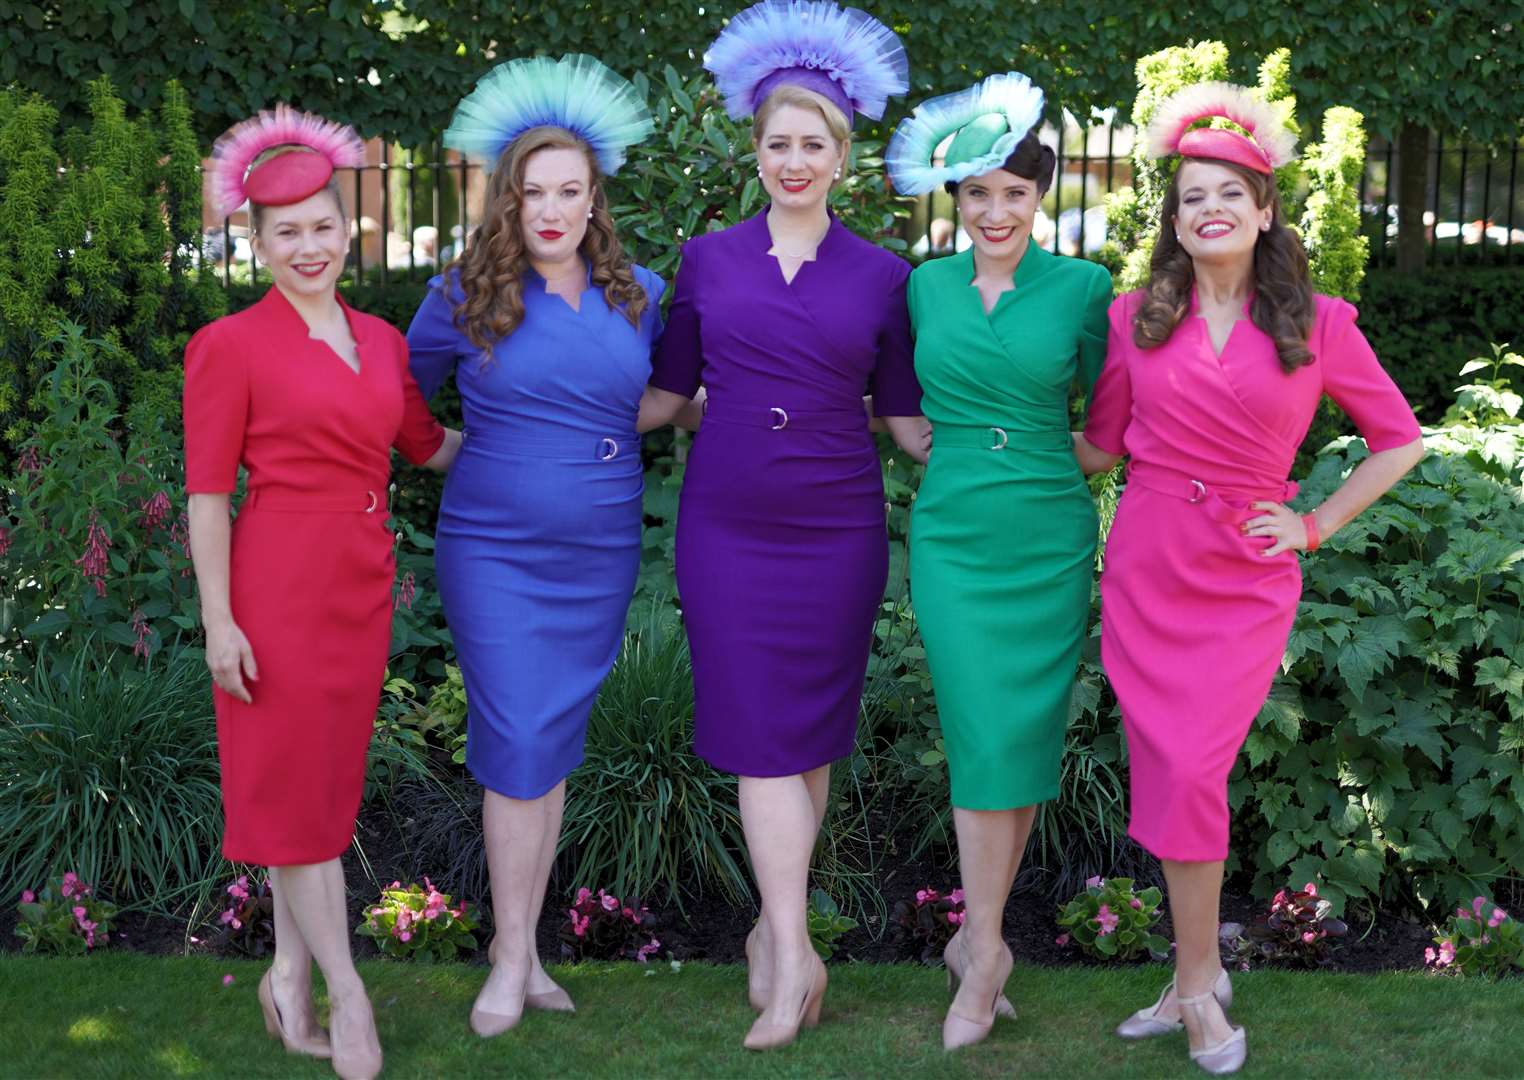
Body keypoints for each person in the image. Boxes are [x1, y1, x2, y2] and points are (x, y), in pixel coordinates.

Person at [1073, 82, 1424, 1075]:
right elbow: (1099, 450)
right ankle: (1195, 980)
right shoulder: (1131, 317)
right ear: (1174, 221)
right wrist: (988, 447)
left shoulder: (1320, 321)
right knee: (1172, 774)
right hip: (1148, 563)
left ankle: (1194, 986)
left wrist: (1314, 521)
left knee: (1192, 771)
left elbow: (1399, 442)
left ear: (1265, 210)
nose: (1210, 209)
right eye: (1191, 197)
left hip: (1245, 574)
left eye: (1230, 192)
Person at [638, 0, 925, 1051]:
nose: (794, 160)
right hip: (727, 527)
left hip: (836, 527)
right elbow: (670, 394)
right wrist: (543, 417)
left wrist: (1016, 443)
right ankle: (797, 957)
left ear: (841, 159)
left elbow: (903, 417)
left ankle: (776, 932)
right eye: (778, 144)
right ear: (753, 153)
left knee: (806, 740)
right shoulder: (706, 259)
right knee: (764, 738)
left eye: (814, 145)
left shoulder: (888, 277)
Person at [186, 106, 461, 1080]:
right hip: (274, 594)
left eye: (323, 226)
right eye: (286, 232)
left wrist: (549, 429)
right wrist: (220, 620)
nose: (309, 246)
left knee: (322, 796)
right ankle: (348, 993)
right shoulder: (230, 347)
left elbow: (427, 447)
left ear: (351, 230)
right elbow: (210, 499)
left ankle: (283, 975)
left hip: (360, 592)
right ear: (254, 244)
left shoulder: (383, 341)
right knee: (295, 798)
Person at [403, 54, 673, 1038]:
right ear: (507, 199)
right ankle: (510, 959)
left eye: (570, 192)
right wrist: (439, 448)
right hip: (493, 548)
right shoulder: (462, 292)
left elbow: (664, 400)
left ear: (594, 198)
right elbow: (397, 389)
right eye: (532, 192)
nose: (551, 210)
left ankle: (524, 950)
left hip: (598, 544)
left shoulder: (640, 290)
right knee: (515, 740)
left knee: (549, 747)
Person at [885, 71, 1114, 1051]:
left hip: (1048, 536)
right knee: (982, 735)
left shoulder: (1085, 287)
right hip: (954, 536)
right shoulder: (923, 285)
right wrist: (924, 438)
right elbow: (894, 392)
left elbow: (1105, 430)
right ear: (957, 200)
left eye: (1013, 193)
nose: (994, 210)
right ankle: (984, 953)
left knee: (1017, 745)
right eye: (977, 193)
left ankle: (978, 949)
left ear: (1039, 197)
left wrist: (1033, 454)